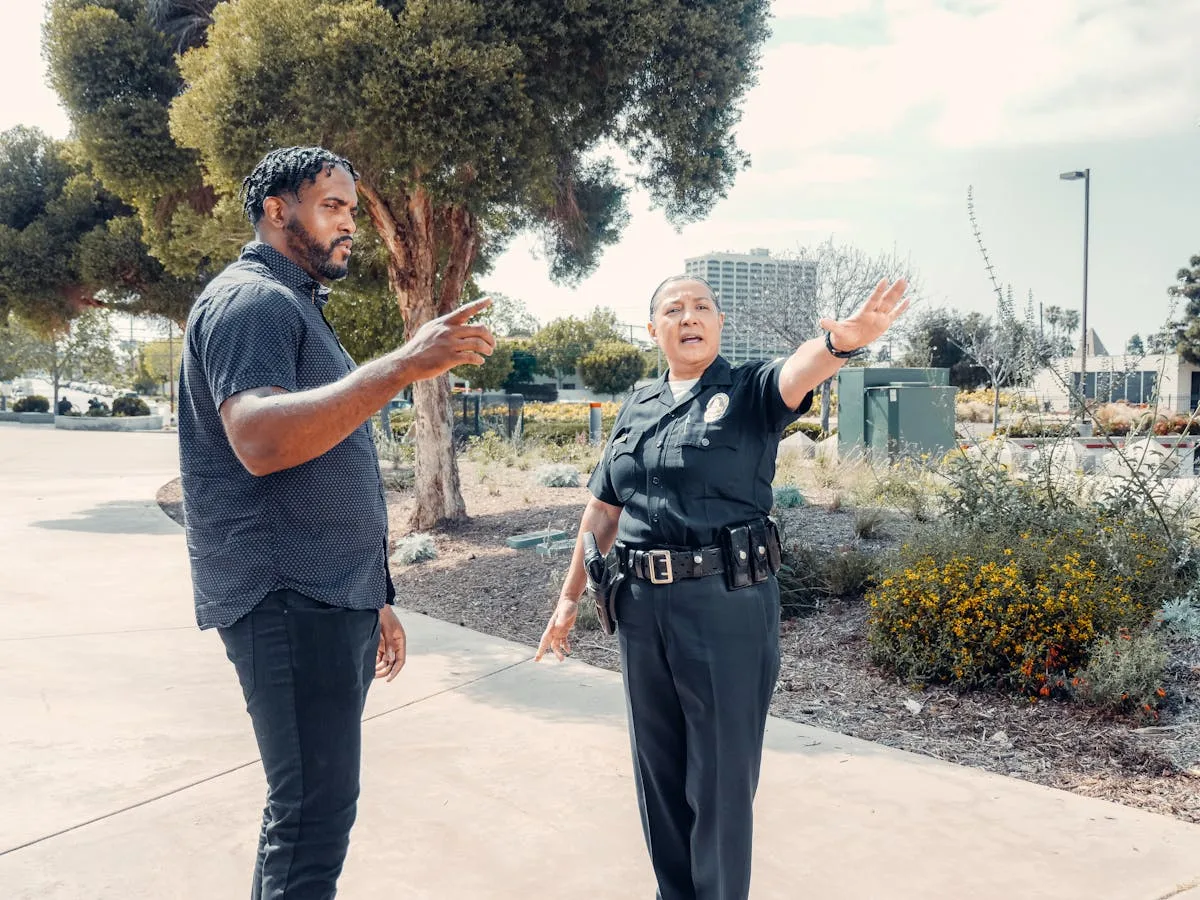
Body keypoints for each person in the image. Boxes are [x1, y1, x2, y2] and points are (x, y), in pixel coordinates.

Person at [178, 146, 494, 899]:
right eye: (333, 206)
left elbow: (319, 459)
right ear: (277, 210)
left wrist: (371, 594)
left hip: (325, 597)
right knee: (312, 821)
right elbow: (259, 440)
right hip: (287, 599)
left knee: (307, 815)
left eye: (352, 209)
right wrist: (401, 367)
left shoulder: (295, 307)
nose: (351, 223)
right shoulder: (252, 303)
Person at [536, 273, 908, 900]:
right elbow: (601, 509)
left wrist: (839, 345)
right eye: (674, 309)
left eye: (702, 307)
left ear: (719, 322)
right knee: (658, 771)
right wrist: (568, 599)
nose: (690, 317)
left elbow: (797, 374)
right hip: (638, 605)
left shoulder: (749, 390)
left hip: (724, 606)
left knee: (719, 782)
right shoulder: (637, 404)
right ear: (654, 328)